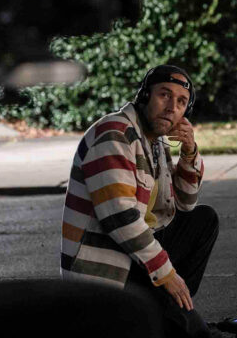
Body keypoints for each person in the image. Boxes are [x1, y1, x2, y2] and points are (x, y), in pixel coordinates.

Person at [61, 64, 219, 338]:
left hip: (136, 253)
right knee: (197, 333)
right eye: (164, 95)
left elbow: (186, 202)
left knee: (203, 220)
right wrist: (167, 274)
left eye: (181, 102)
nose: (171, 107)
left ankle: (165, 309)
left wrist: (190, 152)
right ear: (145, 96)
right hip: (106, 265)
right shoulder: (115, 134)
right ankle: (162, 311)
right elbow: (120, 217)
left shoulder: (154, 142)